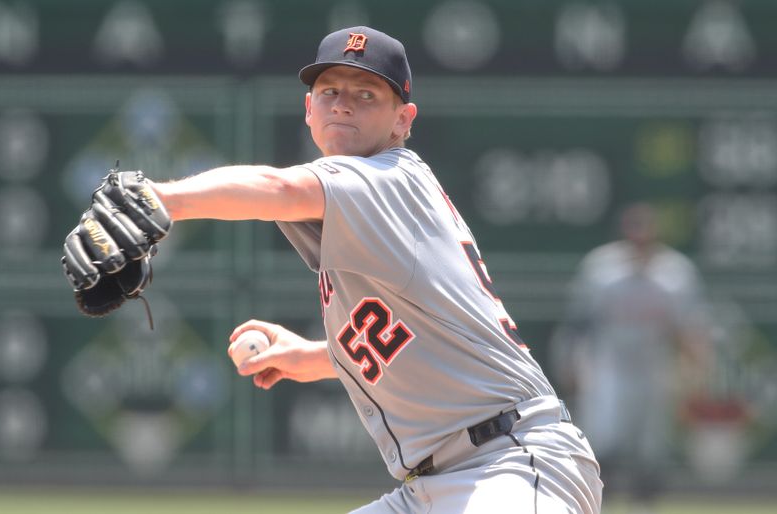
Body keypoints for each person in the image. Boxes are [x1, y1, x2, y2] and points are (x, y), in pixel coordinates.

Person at [151, 26, 602, 513]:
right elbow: (420, 342)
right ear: (309, 111)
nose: (343, 104)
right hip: (430, 486)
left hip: (509, 464)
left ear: (402, 121)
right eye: (329, 92)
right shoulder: (363, 213)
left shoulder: (390, 178)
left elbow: (277, 189)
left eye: (366, 94)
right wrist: (315, 355)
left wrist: (159, 199)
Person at [551, 203, 711, 511]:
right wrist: (571, 363)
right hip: (609, 363)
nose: (640, 236)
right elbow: (578, 324)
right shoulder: (602, 268)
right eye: (634, 229)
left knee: (650, 444)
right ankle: (597, 503)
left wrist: (697, 368)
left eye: (645, 229)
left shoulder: (675, 273)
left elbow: (691, 327)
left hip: (654, 365)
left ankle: (644, 505)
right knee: (603, 437)